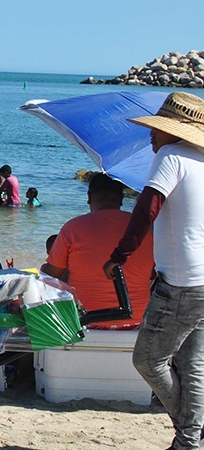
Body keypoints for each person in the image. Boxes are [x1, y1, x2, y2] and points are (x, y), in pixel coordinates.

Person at [102, 92, 204, 449]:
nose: (151, 135)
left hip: (183, 283)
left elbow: (147, 209)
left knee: (148, 359)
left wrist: (120, 255)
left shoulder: (170, 156)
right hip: (201, 279)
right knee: (193, 366)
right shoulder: (200, 162)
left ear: (175, 131)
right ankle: (189, 440)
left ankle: (191, 437)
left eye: (157, 129)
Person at [41, 173, 153, 329]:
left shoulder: (73, 228)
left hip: (86, 322)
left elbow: (50, 276)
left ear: (89, 196)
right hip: (138, 323)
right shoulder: (144, 230)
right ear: (121, 199)